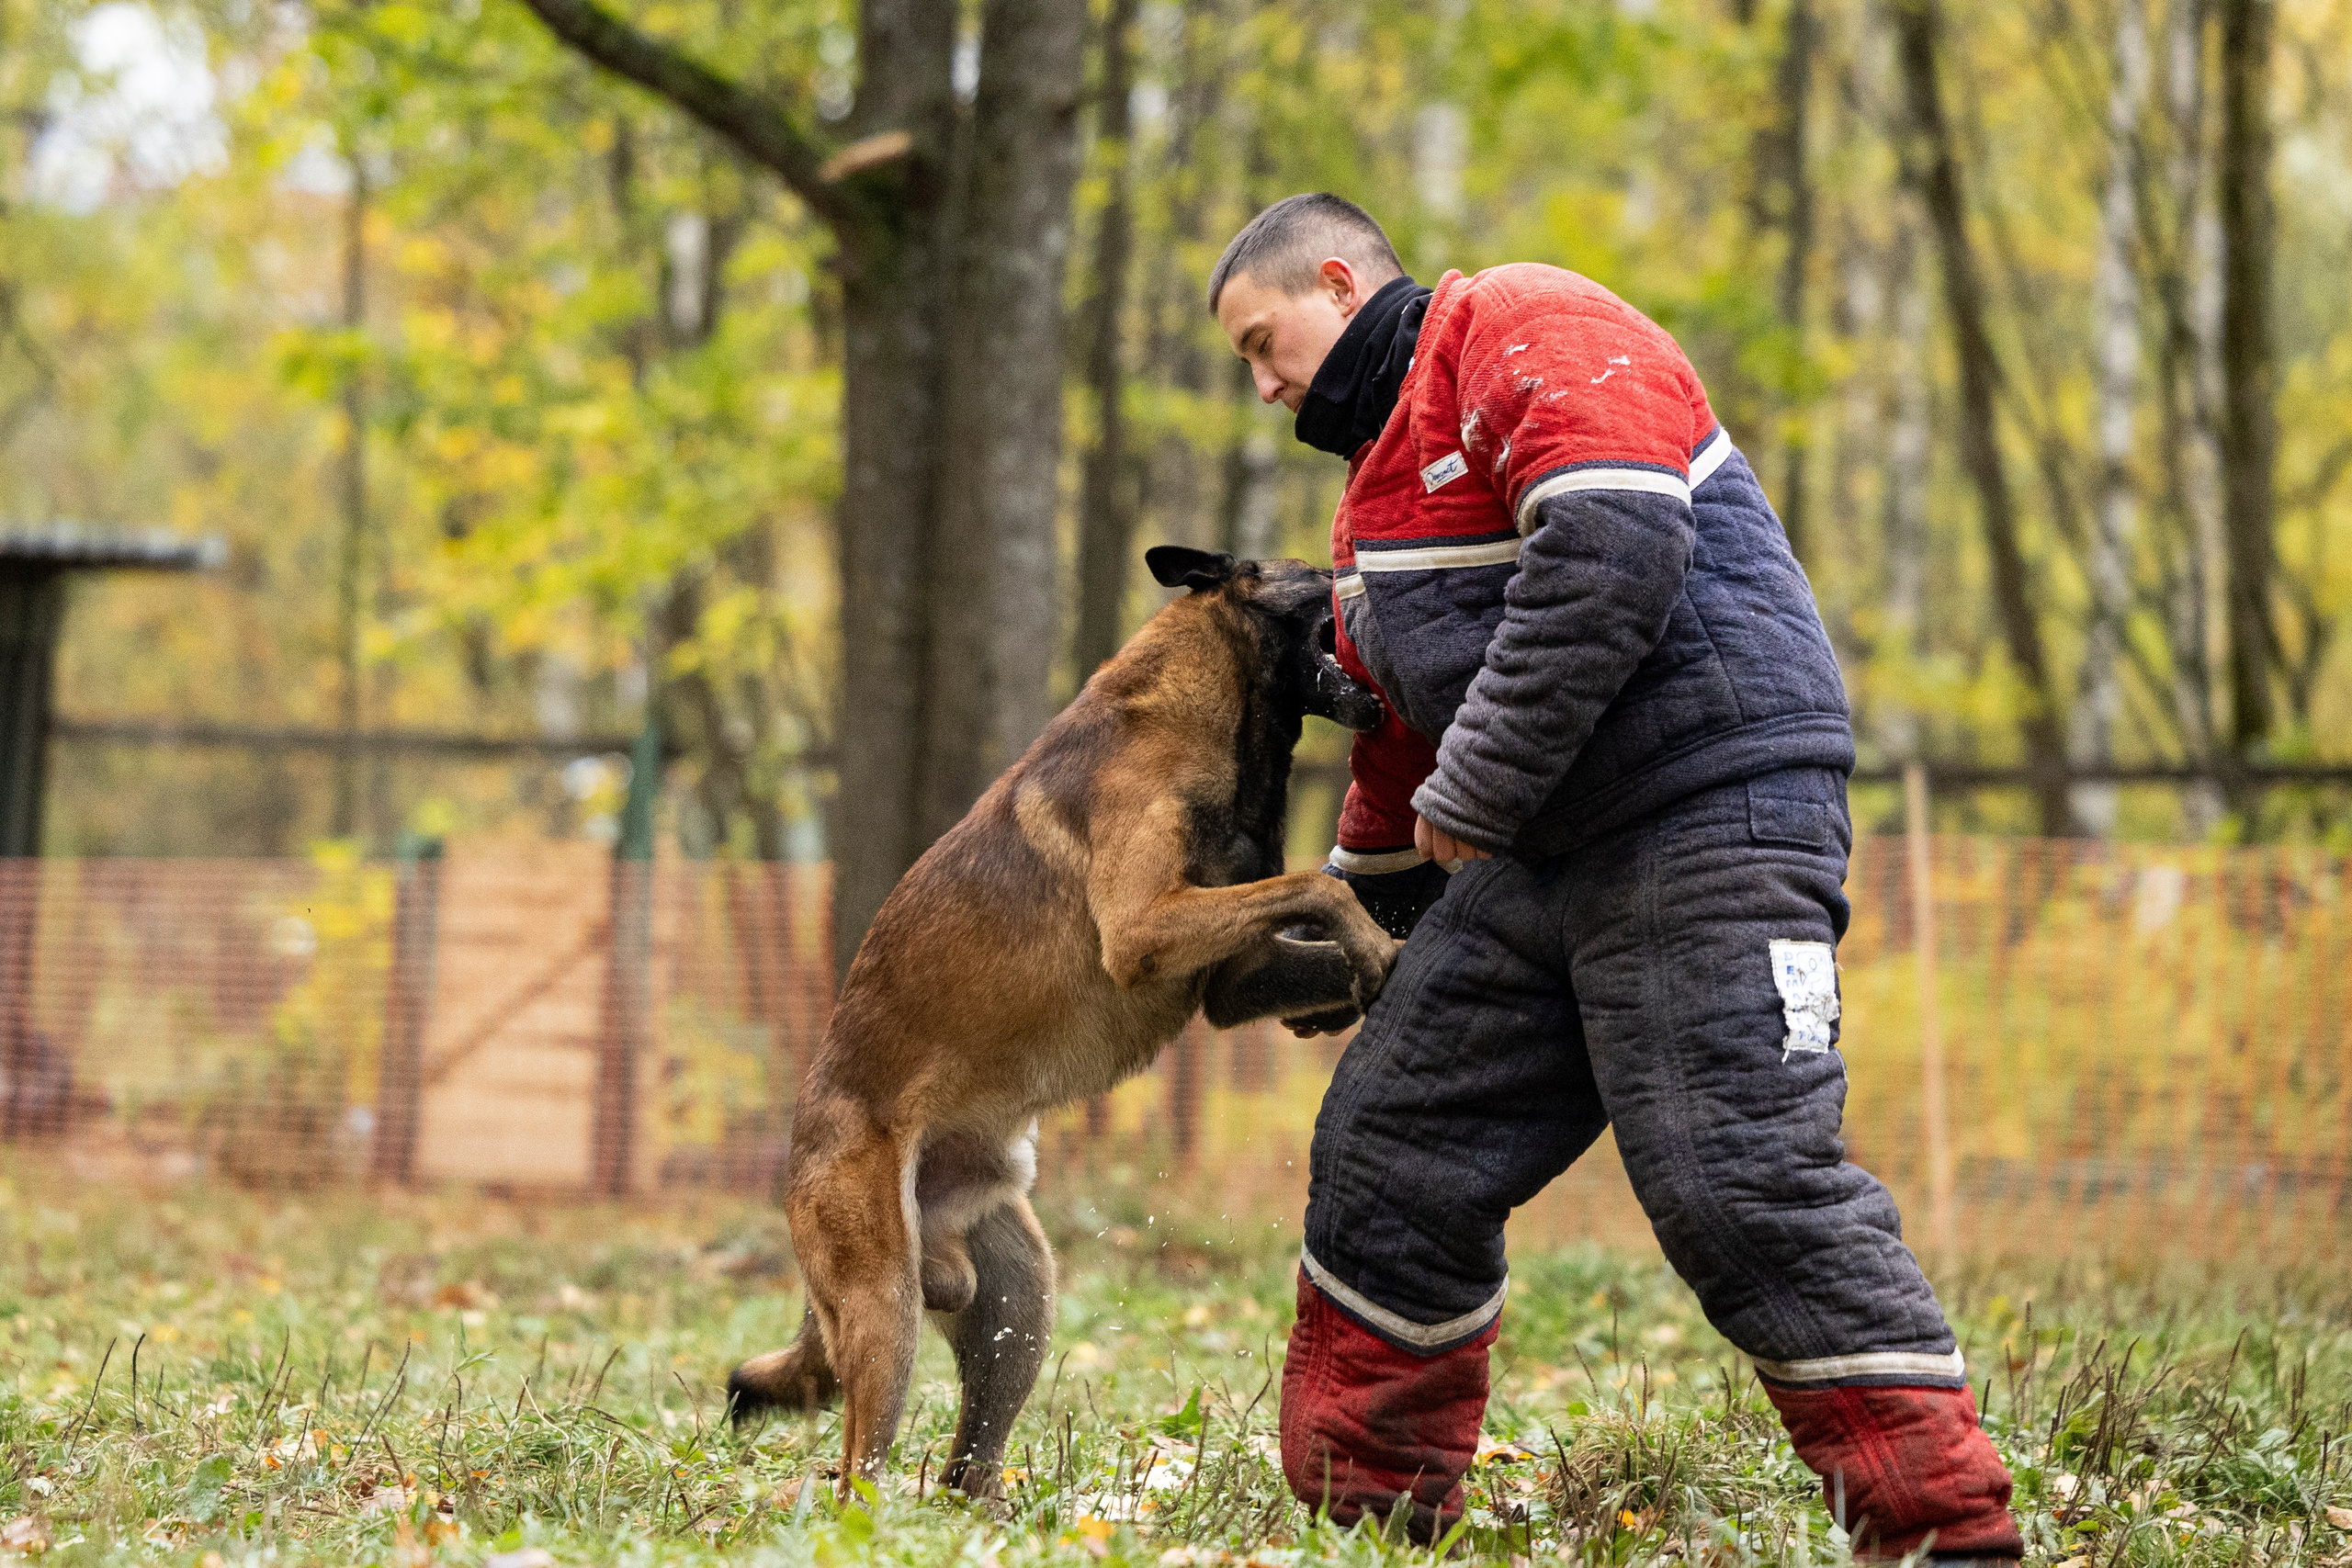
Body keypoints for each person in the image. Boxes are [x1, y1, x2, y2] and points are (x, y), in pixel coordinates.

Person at [1208, 193, 2022, 1562]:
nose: (1261, 382)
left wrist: (1473, 791)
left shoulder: (1520, 321)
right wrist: (1356, 925)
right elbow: (1406, 740)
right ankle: (1373, 1527)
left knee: (1737, 1183)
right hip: (1541, 846)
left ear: (1340, 283)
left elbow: (1614, 553)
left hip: (1710, 805)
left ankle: (1948, 1536)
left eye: (1260, 339)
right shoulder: (1379, 499)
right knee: (1391, 1153)